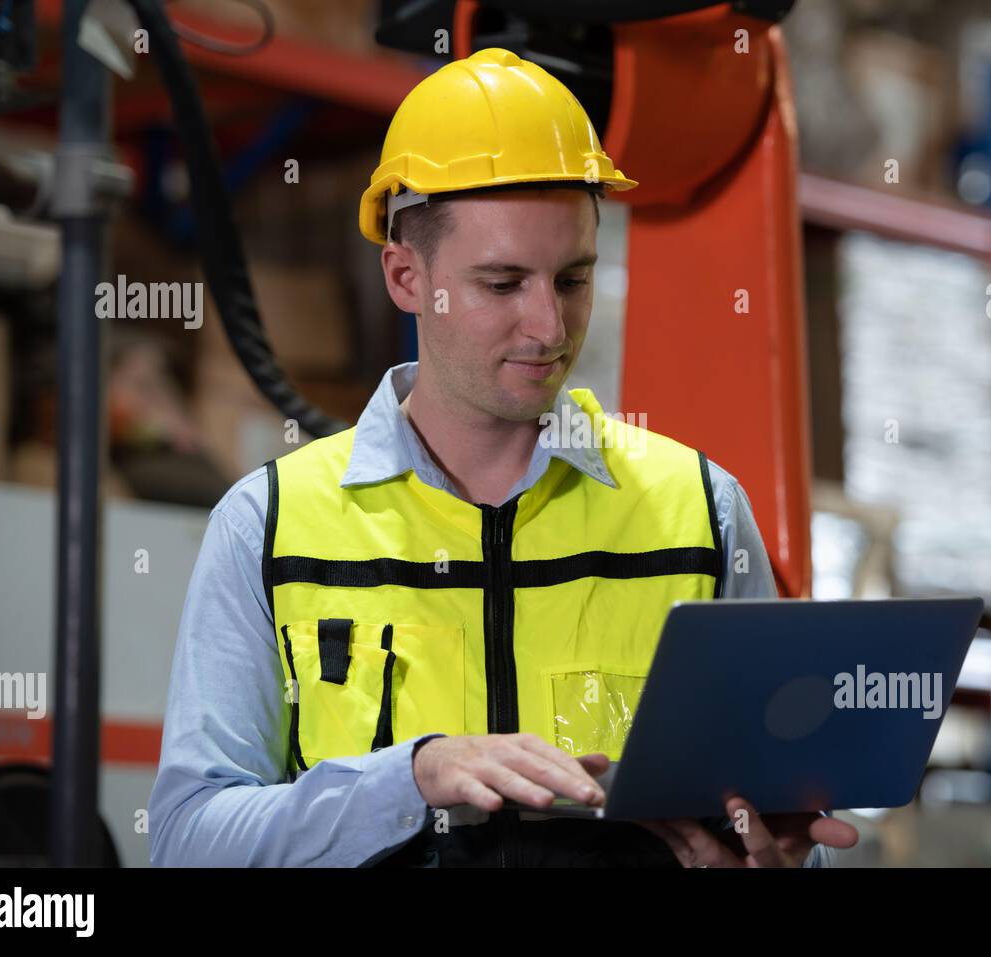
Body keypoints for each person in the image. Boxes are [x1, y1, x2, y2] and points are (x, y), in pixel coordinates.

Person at [149, 47, 858, 868]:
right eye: (501, 283)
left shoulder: (700, 511)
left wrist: (780, 860)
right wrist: (412, 777)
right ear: (407, 276)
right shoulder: (268, 526)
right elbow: (186, 839)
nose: (549, 328)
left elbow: (775, 822)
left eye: (573, 279)